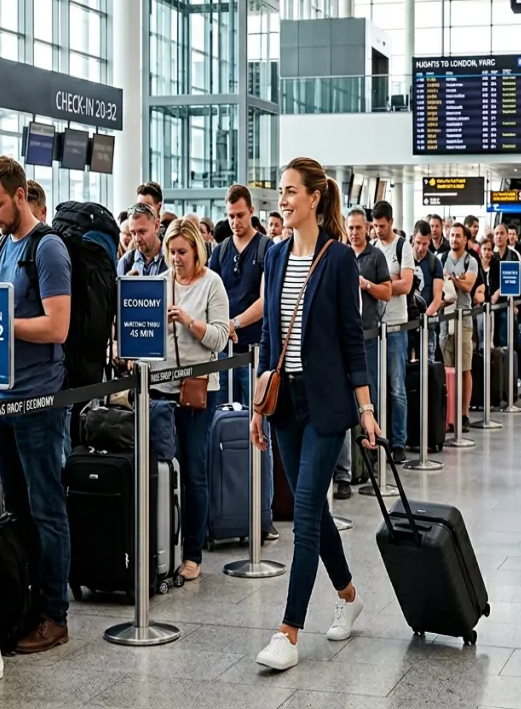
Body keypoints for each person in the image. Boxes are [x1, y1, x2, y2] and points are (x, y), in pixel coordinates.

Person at [251, 157, 380, 672]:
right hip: (284, 403)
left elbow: (352, 339)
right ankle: (349, 596)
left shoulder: (340, 259)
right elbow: (268, 335)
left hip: (326, 405)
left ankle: (288, 632)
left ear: (314, 197)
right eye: (281, 192)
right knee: (313, 510)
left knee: (304, 511)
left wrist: (365, 407)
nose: (282, 200)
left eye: (290, 191)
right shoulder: (275, 256)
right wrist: (259, 406)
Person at [0, 156, 73, 654]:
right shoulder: (0, 249)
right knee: (16, 509)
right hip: (4, 398)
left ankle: (55, 613)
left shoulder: (47, 248)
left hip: (39, 399)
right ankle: (25, 603)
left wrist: (2, 322)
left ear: (20, 196)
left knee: (46, 508)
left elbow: (57, 326)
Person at [153, 218, 229, 580]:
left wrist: (188, 321)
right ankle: (163, 546)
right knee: (164, 470)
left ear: (197, 250)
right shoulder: (160, 283)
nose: (176, 258)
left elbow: (220, 338)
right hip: (159, 388)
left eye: (182, 251)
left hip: (198, 390)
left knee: (194, 472)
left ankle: (193, 553)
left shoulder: (212, 284)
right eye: (171, 252)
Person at [210, 186, 278, 541]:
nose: (235, 222)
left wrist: (233, 323)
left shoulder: (266, 249)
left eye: (240, 215)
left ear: (252, 211)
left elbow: (267, 301)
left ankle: (263, 511)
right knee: (224, 426)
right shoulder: (220, 251)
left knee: (259, 429)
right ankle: (228, 509)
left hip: (255, 351)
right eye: (230, 216)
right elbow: (210, 291)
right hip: (224, 353)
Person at [333, 209, 390, 499]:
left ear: (366, 228)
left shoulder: (376, 256)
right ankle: (345, 471)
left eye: (359, 227)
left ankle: (373, 459)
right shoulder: (340, 256)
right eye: (350, 227)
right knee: (344, 405)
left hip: (367, 337)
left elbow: (387, 292)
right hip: (342, 342)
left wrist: (366, 284)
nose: (354, 232)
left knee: (370, 400)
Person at [370, 200, 413, 463]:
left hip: (396, 325)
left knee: (397, 387)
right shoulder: (372, 248)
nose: (378, 231)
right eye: (375, 226)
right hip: (374, 327)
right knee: (374, 388)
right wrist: (387, 283)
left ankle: (398, 442)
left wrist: (380, 285)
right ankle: (375, 442)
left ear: (391, 222)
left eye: (382, 226)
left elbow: (406, 285)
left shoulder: (402, 246)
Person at [442, 222, 478, 432]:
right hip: (445, 319)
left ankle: (464, 413)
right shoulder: (442, 258)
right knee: (447, 368)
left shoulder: (470, 261)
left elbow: (468, 286)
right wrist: (457, 280)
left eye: (458, 236)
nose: (454, 239)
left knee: (464, 367)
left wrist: (452, 279)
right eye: (452, 235)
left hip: (463, 319)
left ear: (465, 239)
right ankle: (449, 414)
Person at [410, 220, 444, 358]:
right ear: (413, 238)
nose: (420, 248)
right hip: (406, 320)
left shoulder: (434, 262)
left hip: (427, 322)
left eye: (424, 244)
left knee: (427, 362)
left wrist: (425, 316)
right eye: (418, 242)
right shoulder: (404, 258)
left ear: (430, 241)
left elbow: (437, 297)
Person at [117, 202, 167, 277]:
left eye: (142, 232)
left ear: (156, 226)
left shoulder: (172, 260)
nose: (137, 239)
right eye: (133, 233)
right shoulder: (125, 263)